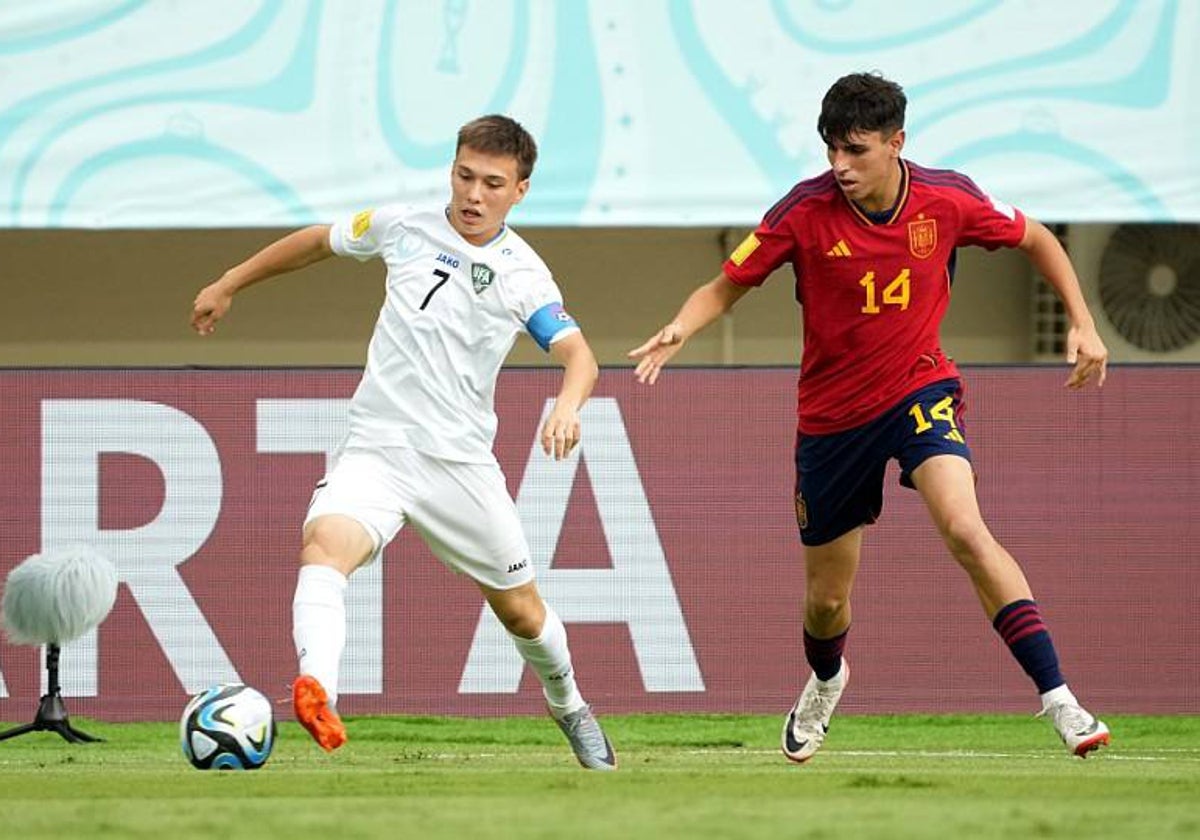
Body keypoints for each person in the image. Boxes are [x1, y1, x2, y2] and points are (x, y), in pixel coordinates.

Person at [629, 72, 1111, 762]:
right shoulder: (803, 210)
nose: (840, 166)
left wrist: (1084, 323)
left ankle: (1060, 699)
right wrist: (680, 327)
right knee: (826, 602)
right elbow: (726, 283)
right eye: (831, 150)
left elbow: (1037, 238)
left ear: (896, 143)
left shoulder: (948, 199)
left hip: (920, 391)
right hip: (832, 419)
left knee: (967, 530)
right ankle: (827, 678)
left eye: (855, 150)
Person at [191, 114, 616, 770]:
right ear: (451, 170)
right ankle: (319, 691)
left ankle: (570, 706)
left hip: (459, 467)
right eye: (464, 176)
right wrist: (228, 282)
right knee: (323, 549)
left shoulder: (522, 273)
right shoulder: (403, 225)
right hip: (378, 447)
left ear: (520, 191)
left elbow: (580, 356)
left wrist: (567, 405)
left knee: (524, 617)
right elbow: (315, 242)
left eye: (492, 184)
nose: (474, 195)